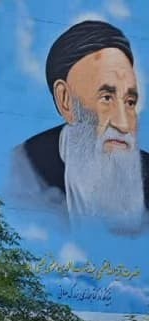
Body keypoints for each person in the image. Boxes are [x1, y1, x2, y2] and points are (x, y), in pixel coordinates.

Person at [10, 19, 148, 233]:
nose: (123, 124)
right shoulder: (21, 172)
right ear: (65, 100)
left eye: (130, 102)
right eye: (106, 98)